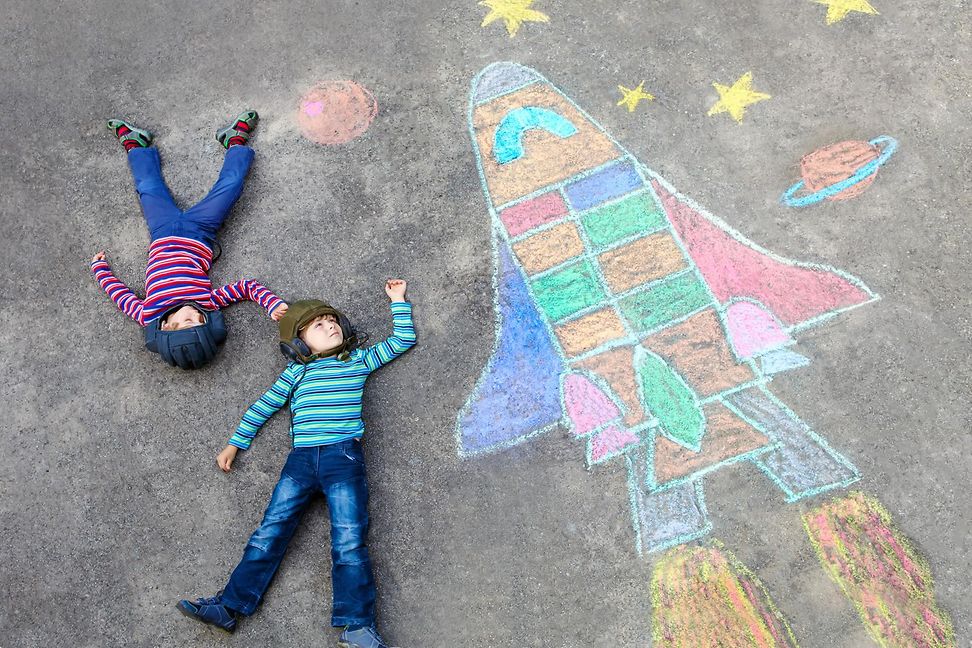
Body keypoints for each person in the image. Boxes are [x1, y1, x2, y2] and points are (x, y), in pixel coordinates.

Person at [178, 280, 416, 648]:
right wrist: (234, 444)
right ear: (301, 343)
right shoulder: (295, 373)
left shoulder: (358, 359)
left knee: (349, 540)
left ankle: (358, 627)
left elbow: (402, 340)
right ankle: (229, 607)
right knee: (269, 532)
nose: (330, 326)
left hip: (343, 458)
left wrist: (397, 301)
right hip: (300, 461)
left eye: (333, 321)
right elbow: (263, 406)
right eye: (318, 325)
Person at [90, 110, 288, 369]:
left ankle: (135, 145)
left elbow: (119, 294)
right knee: (231, 185)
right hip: (201, 230)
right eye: (200, 321)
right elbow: (247, 287)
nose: (196, 315)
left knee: (148, 187)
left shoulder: (146, 313)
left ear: (167, 326)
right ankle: (235, 140)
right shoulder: (207, 302)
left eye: (188, 322)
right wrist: (271, 304)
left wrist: (100, 268)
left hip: (161, 230)